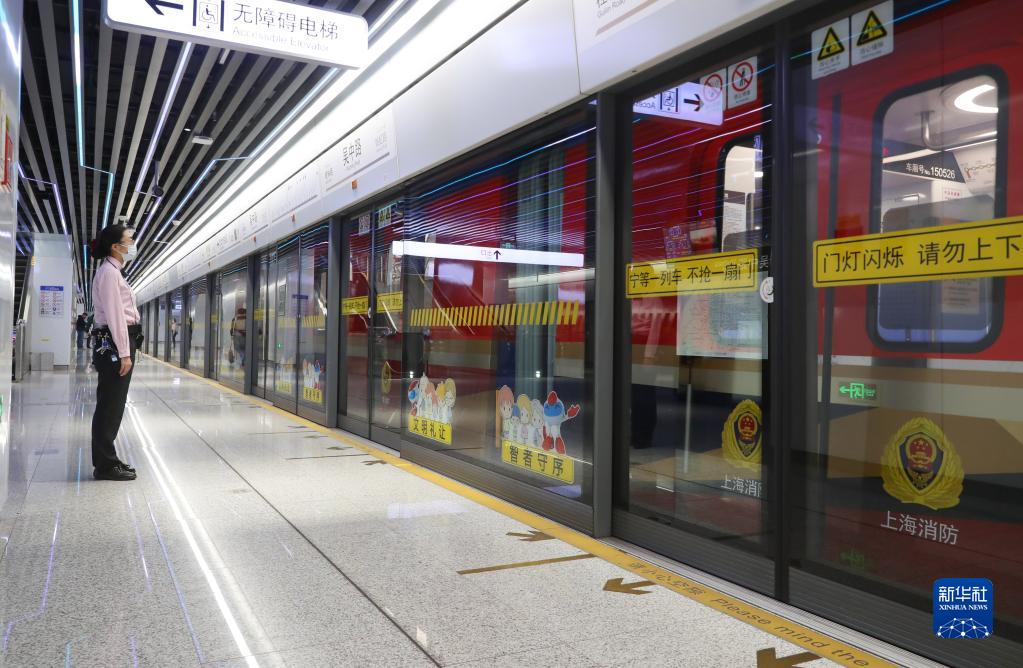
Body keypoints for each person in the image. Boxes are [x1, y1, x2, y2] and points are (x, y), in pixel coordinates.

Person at [89, 225, 142, 481]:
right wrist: (124, 353)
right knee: (110, 406)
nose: (133, 244)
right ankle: (105, 466)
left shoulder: (113, 272)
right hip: (114, 342)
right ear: (116, 246)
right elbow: (116, 317)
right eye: (129, 240)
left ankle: (107, 460)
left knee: (112, 404)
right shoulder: (109, 273)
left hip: (114, 342)